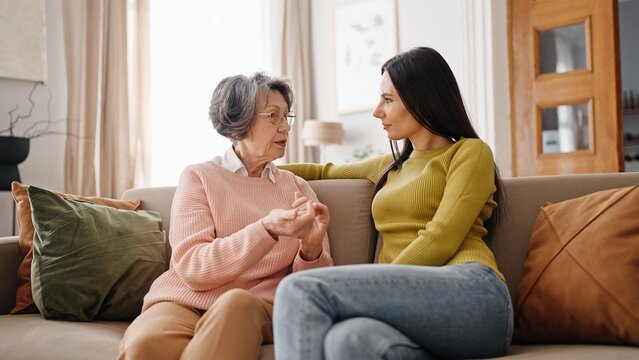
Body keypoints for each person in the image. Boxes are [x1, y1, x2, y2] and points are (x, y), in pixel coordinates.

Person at [273, 47, 513, 360]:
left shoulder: (469, 153)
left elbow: (440, 240)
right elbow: (320, 171)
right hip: (414, 315)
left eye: (388, 100)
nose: (377, 111)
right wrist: (246, 164)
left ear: (422, 98)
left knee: (299, 290)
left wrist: (375, 287)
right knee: (345, 341)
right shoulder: (390, 166)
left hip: (473, 295)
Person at [118, 72, 333, 360]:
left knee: (236, 303)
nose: (285, 127)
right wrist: (266, 228)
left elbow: (310, 292)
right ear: (239, 121)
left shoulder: (297, 188)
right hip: (184, 301)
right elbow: (193, 267)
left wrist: (311, 249)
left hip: (255, 306)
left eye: (286, 116)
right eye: (273, 116)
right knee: (144, 347)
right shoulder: (199, 177)